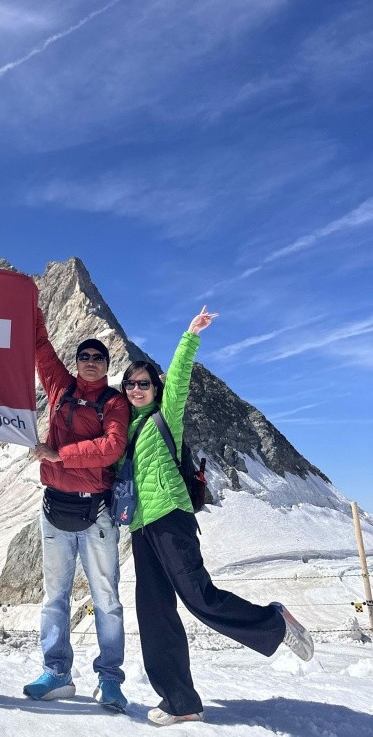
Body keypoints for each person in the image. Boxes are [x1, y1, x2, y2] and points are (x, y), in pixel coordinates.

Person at [121, 306, 315, 727]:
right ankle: (180, 701)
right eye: (130, 384)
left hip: (171, 517)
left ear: (155, 387)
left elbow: (180, 379)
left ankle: (274, 622)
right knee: (154, 613)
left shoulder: (162, 416)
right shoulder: (127, 430)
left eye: (144, 383)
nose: (137, 389)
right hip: (140, 528)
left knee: (198, 597)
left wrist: (190, 334)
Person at [23, 307, 131, 713]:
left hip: (96, 514)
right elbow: (38, 347)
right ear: (76, 362)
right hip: (54, 509)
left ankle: (110, 679)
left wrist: (59, 454)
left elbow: (112, 447)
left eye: (97, 357)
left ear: (106, 364)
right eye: (84, 356)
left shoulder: (115, 402)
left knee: (107, 599)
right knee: (55, 597)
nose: (89, 362)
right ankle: (57, 673)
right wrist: (30, 305)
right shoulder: (59, 386)